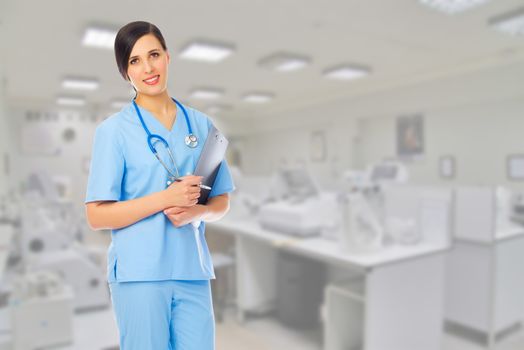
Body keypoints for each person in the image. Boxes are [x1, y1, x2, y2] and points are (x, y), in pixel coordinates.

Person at [85, 20, 235, 350]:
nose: (147, 67)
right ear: (125, 72)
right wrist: (164, 199)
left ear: (168, 57)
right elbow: (96, 216)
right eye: (134, 61)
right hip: (139, 276)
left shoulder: (201, 123)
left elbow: (221, 202)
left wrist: (198, 212)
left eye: (153, 54)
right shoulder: (113, 132)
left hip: (192, 271)